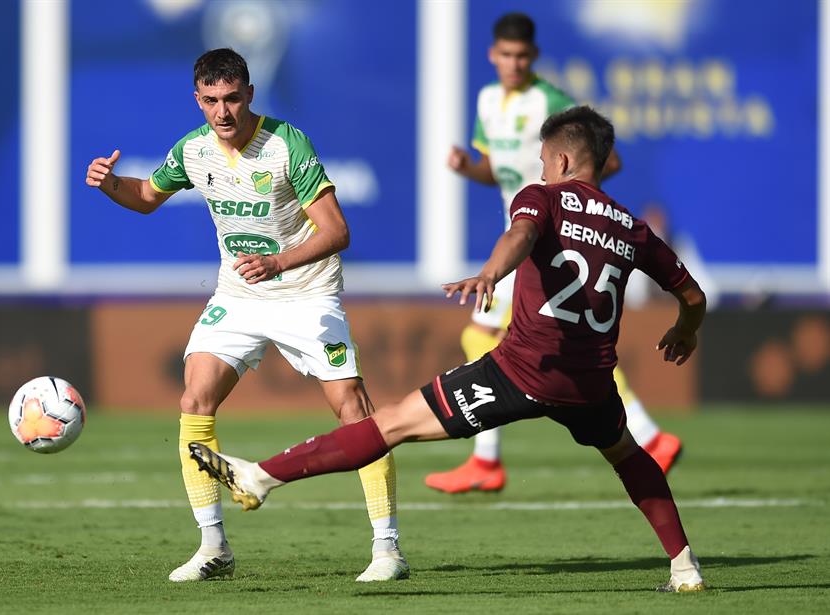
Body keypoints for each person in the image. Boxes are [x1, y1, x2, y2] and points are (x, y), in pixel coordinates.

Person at [189, 106, 707, 593]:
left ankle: (260, 477)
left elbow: (522, 236)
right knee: (627, 456)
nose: (541, 168)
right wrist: (685, 329)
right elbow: (692, 294)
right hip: (591, 383)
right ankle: (684, 567)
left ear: (564, 159)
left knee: (389, 425)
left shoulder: (542, 197)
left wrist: (488, 274)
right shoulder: (630, 227)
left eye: (544, 160)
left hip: (522, 372)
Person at [85, 48, 408, 583]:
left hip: (306, 293)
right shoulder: (193, 151)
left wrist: (278, 261)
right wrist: (112, 184)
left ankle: (387, 548)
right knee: (194, 397)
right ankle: (214, 547)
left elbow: (336, 232)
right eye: (211, 101)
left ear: (250, 94)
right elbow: (146, 196)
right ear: (198, 100)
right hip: (239, 296)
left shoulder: (286, 145)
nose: (223, 112)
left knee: (353, 410)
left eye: (232, 98)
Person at [429, 12, 681, 494]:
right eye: (505, 55)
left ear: (534, 57)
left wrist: (572, 207)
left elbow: (607, 159)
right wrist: (468, 167)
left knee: (484, 333)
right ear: (492, 54)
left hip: (545, 234)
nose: (513, 63)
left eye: (522, 56)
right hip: (519, 228)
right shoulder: (487, 101)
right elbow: (497, 170)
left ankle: (487, 459)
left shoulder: (552, 100)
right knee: (529, 337)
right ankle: (649, 435)